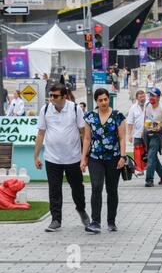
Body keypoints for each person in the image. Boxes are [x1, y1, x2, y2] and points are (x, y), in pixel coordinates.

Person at [34, 83, 89, 232]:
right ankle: (55, 219)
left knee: (77, 188)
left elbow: (84, 133)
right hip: (52, 158)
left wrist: (85, 156)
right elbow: (41, 133)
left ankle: (81, 210)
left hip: (73, 157)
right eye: (50, 96)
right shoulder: (45, 109)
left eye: (55, 96)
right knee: (54, 190)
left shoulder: (75, 109)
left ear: (64, 96)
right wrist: (36, 156)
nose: (52, 99)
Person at [81, 88, 127, 233]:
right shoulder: (90, 116)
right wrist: (83, 158)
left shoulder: (117, 116)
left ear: (109, 99)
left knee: (112, 190)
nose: (103, 102)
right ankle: (95, 222)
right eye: (100, 100)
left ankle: (111, 221)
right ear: (96, 101)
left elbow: (122, 138)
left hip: (113, 158)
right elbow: (87, 138)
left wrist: (123, 156)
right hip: (95, 158)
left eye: (105, 99)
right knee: (96, 187)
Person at [143, 87, 162, 187]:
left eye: (153, 96)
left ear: (159, 97)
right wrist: (143, 131)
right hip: (148, 134)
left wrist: (160, 126)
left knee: (151, 156)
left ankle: (149, 180)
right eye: (150, 95)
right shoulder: (148, 105)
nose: (151, 97)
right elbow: (146, 118)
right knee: (153, 156)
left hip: (157, 136)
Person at [127, 90, 147, 175]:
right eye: (140, 97)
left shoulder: (149, 105)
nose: (142, 98)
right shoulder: (133, 108)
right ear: (137, 98)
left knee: (147, 151)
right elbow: (130, 122)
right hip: (137, 134)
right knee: (138, 151)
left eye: (143, 96)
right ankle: (139, 169)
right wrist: (129, 135)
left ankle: (148, 167)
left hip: (148, 133)